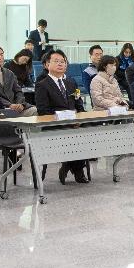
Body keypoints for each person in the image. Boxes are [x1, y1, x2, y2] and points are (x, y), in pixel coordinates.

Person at [34, 49, 89, 183]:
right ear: (47, 65)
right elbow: (43, 112)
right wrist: (67, 120)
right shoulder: (42, 85)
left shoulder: (71, 83)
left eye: (63, 61)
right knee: (76, 136)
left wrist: (80, 118)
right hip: (54, 125)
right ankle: (77, 170)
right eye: (56, 61)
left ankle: (69, 164)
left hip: (74, 122)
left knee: (90, 130)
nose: (60, 64)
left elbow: (78, 103)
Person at [0, 45, 27, 111]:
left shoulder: (9, 73)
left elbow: (18, 91)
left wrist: (19, 103)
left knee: (35, 110)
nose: (0, 57)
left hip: (16, 107)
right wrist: (9, 105)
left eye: (2, 55)